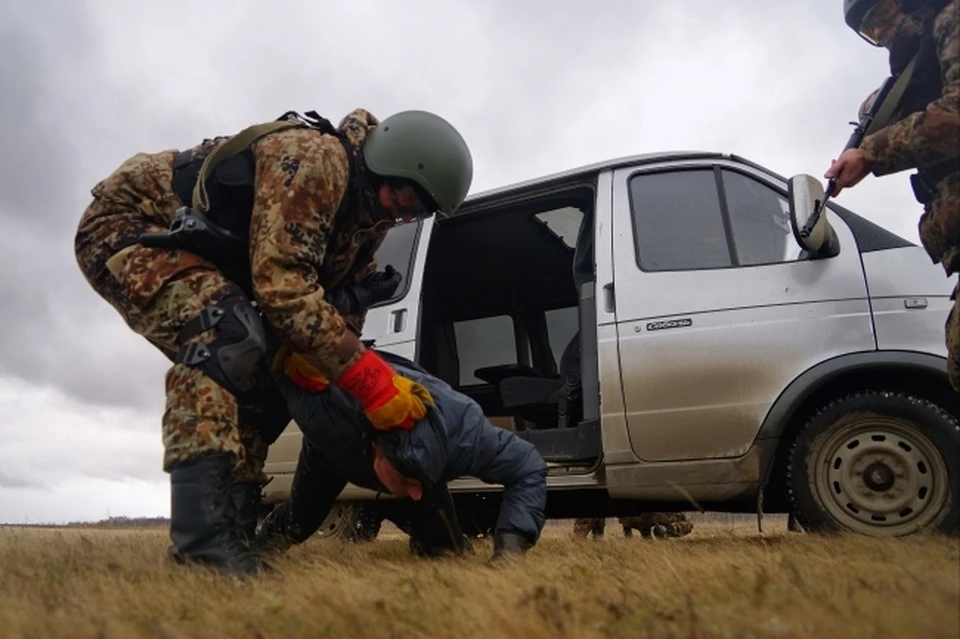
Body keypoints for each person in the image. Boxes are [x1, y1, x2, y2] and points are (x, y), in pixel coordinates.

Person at [73, 107, 474, 575]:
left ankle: (234, 535)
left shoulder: (369, 222)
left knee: (275, 379)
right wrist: (372, 383)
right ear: (389, 163)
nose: (405, 211)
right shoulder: (316, 162)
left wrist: (339, 370)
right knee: (224, 335)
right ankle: (202, 548)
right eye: (406, 195)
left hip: (216, 265)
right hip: (132, 229)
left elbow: (338, 312)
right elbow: (282, 290)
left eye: (419, 210)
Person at [253, 287, 550, 563]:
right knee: (298, 522)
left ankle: (433, 540)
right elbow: (277, 337)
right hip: (328, 452)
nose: (415, 490)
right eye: (407, 478)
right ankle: (250, 552)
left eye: (418, 479)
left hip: (410, 464)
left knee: (445, 552)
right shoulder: (321, 401)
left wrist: (510, 551)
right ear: (378, 450)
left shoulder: (464, 430)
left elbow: (527, 467)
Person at [826, 0, 960, 387]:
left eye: (881, 17)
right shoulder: (917, 70)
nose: (881, 34)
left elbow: (954, 116)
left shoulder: (951, 17)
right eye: (869, 30)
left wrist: (870, 153)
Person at [572, 514, 694, 539]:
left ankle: (586, 537)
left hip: (630, 518)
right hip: (655, 517)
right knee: (687, 523)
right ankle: (667, 530)